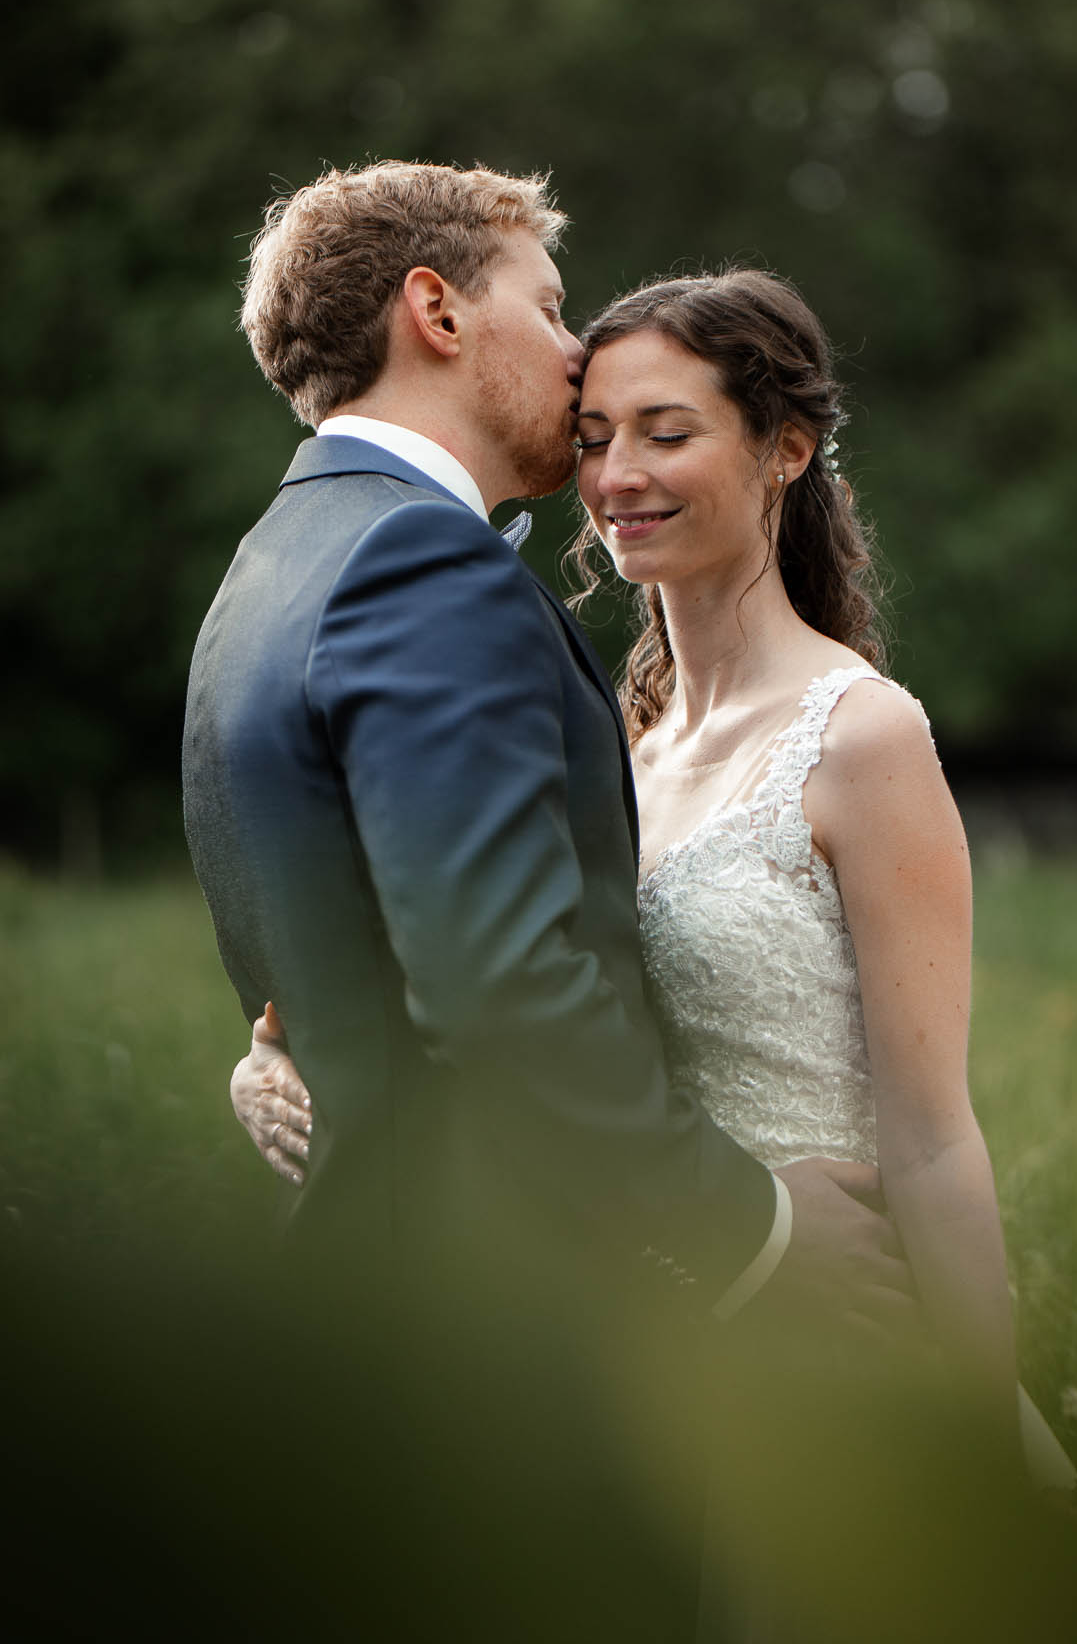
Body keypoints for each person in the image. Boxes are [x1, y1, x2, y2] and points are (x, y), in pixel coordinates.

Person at [229, 257, 1074, 1488]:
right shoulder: (618, 747)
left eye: (665, 433)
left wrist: (979, 1419)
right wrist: (275, 1054)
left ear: (785, 450)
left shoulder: (863, 737)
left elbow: (935, 1138)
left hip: (843, 1330)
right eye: (594, 436)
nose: (617, 476)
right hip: (658, 1343)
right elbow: (485, 975)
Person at [184, 161, 908, 1324]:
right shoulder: (426, 562)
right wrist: (752, 1225)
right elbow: (497, 980)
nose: (577, 353)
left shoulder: (262, 573)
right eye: (552, 304)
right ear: (439, 311)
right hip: (497, 1315)